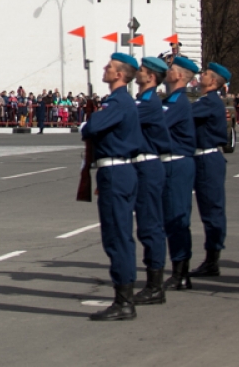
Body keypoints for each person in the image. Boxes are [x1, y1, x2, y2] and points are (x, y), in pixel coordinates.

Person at [81, 53, 145, 321]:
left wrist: (90, 121)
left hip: (116, 171)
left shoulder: (118, 102)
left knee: (117, 236)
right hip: (118, 171)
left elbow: (91, 127)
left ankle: (124, 301)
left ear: (120, 74)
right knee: (118, 235)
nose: (105, 69)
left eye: (109, 67)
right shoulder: (119, 102)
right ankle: (124, 297)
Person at [131, 56, 171, 305]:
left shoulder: (148, 103)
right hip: (140, 165)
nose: (138, 73)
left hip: (147, 165)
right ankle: (153, 282)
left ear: (151, 77)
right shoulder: (141, 101)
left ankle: (155, 285)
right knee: (146, 225)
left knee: (150, 225)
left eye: (142, 70)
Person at [161, 55, 199, 290]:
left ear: (180, 76)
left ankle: (180, 273)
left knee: (177, 219)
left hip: (176, 164)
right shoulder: (172, 100)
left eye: (171, 68)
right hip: (171, 163)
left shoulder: (178, 102)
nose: (167, 71)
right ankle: (180, 270)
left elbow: (158, 124)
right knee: (172, 218)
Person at [190, 61, 231, 278]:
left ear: (213, 81)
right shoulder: (206, 101)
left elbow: (185, 114)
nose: (201, 75)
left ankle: (212, 259)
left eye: (205, 73)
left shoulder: (209, 102)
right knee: (208, 209)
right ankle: (211, 258)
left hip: (207, 159)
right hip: (202, 158)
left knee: (212, 210)